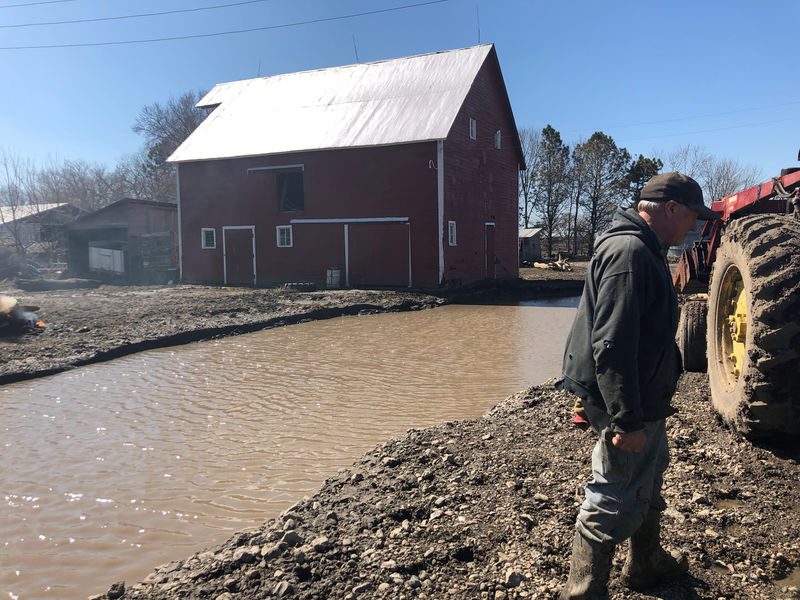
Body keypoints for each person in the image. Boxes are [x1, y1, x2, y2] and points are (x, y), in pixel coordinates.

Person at [557, 172, 721, 599]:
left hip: (641, 396)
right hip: (627, 402)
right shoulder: (630, 253)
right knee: (611, 493)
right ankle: (583, 591)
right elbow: (611, 343)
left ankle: (646, 561)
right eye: (692, 216)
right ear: (670, 208)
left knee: (652, 467)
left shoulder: (644, 248)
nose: (696, 226)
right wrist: (624, 418)